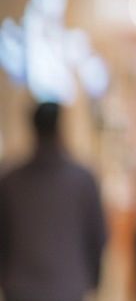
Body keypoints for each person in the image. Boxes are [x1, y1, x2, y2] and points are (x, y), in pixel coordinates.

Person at [0, 102, 107, 301]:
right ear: (60, 128)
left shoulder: (9, 181)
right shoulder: (83, 180)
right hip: (68, 286)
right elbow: (98, 236)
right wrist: (91, 281)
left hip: (20, 287)